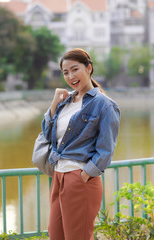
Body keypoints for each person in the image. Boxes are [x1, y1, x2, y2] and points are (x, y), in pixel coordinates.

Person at [41, 48, 120, 240]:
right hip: (59, 177)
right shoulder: (65, 101)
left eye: (75, 69)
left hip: (80, 179)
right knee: (56, 235)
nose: (70, 76)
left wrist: (85, 174)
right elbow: (46, 134)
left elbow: (106, 148)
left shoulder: (104, 104)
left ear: (89, 68)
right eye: (65, 72)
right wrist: (53, 104)